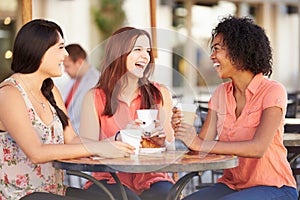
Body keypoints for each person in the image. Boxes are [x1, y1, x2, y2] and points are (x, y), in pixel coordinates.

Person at [0, 19, 134, 200]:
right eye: (61, 47)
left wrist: (113, 142)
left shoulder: (50, 89)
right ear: (39, 50)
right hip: (21, 195)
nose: (65, 55)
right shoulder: (9, 94)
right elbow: (36, 153)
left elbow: (70, 138)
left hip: (55, 191)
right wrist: (99, 148)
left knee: (124, 197)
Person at [172, 15, 298, 200]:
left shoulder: (273, 91)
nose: (212, 56)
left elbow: (258, 148)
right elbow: (201, 148)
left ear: (239, 51)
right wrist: (184, 130)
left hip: (275, 187)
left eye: (217, 49)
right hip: (232, 185)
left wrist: (200, 143)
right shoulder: (220, 94)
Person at [79, 26, 175, 200]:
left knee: (167, 196)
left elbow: (171, 150)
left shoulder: (160, 94)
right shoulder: (94, 97)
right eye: (137, 49)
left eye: (147, 51)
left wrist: (162, 142)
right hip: (109, 179)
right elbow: (86, 151)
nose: (145, 56)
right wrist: (121, 137)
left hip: (152, 177)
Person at [63, 43, 100, 134]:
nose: (65, 70)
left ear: (80, 62)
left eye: (67, 66)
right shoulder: (74, 80)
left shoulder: (96, 81)